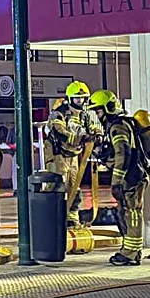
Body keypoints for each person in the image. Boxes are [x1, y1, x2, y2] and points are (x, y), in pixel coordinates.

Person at [89, 90, 146, 267]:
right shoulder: (120, 124)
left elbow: (123, 153)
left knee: (132, 213)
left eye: (99, 111)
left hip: (130, 176)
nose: (98, 115)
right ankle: (130, 251)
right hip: (131, 175)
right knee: (126, 211)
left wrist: (117, 181)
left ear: (109, 108)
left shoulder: (117, 126)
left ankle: (130, 253)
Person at [45, 81, 104, 227]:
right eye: (77, 98)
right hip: (58, 154)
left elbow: (94, 128)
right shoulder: (59, 113)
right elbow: (60, 132)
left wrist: (97, 135)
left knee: (74, 186)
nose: (80, 101)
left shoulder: (85, 115)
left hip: (74, 156)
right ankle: (49, 214)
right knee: (57, 184)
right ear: (70, 98)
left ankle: (71, 217)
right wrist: (82, 138)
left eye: (83, 98)